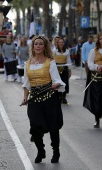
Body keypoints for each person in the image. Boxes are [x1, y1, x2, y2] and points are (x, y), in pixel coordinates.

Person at [21, 36, 65, 164]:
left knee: (53, 127)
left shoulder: (50, 62)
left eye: (41, 44)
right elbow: (26, 83)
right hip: (34, 99)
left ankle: (56, 151)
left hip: (49, 98)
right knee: (34, 127)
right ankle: (41, 150)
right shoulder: (28, 63)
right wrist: (25, 97)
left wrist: (56, 84)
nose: (38, 46)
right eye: (36, 44)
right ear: (33, 47)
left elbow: (56, 79)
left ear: (45, 46)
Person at [83, 32, 102, 128]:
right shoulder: (93, 51)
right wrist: (97, 67)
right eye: (101, 39)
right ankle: (97, 119)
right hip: (96, 79)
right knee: (97, 99)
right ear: (98, 40)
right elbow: (90, 64)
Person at [53, 38, 72, 104]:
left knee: (64, 83)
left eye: (62, 42)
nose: (61, 44)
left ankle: (63, 97)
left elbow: (69, 61)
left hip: (64, 68)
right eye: (59, 42)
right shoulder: (55, 51)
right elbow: (52, 61)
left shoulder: (67, 51)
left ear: (64, 43)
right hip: (57, 69)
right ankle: (58, 97)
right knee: (58, 83)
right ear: (57, 44)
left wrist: (69, 70)